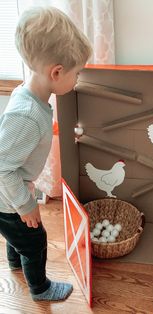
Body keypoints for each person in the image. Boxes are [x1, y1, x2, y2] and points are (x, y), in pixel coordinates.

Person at [0, 6, 92, 301]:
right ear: (57, 72)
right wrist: (25, 205)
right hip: (8, 197)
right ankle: (40, 289)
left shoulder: (28, 95)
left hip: (9, 194)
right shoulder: (27, 116)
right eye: (77, 73)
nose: (77, 79)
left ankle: (15, 261)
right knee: (34, 238)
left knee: (16, 237)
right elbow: (3, 168)